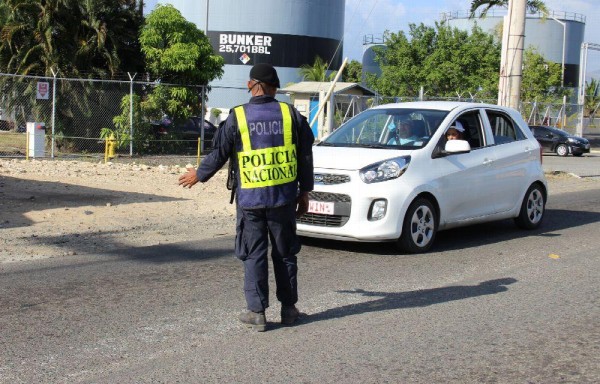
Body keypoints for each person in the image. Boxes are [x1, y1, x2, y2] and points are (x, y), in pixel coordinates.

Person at [178, 63, 315, 332]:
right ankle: (289, 310)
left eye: (248, 83)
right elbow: (306, 153)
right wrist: (305, 190)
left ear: (255, 85)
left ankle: (257, 312)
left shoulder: (238, 117)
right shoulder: (290, 115)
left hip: (251, 202)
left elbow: (219, 152)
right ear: (274, 87)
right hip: (283, 199)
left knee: (254, 255)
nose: (247, 87)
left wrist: (199, 175)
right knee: (285, 255)